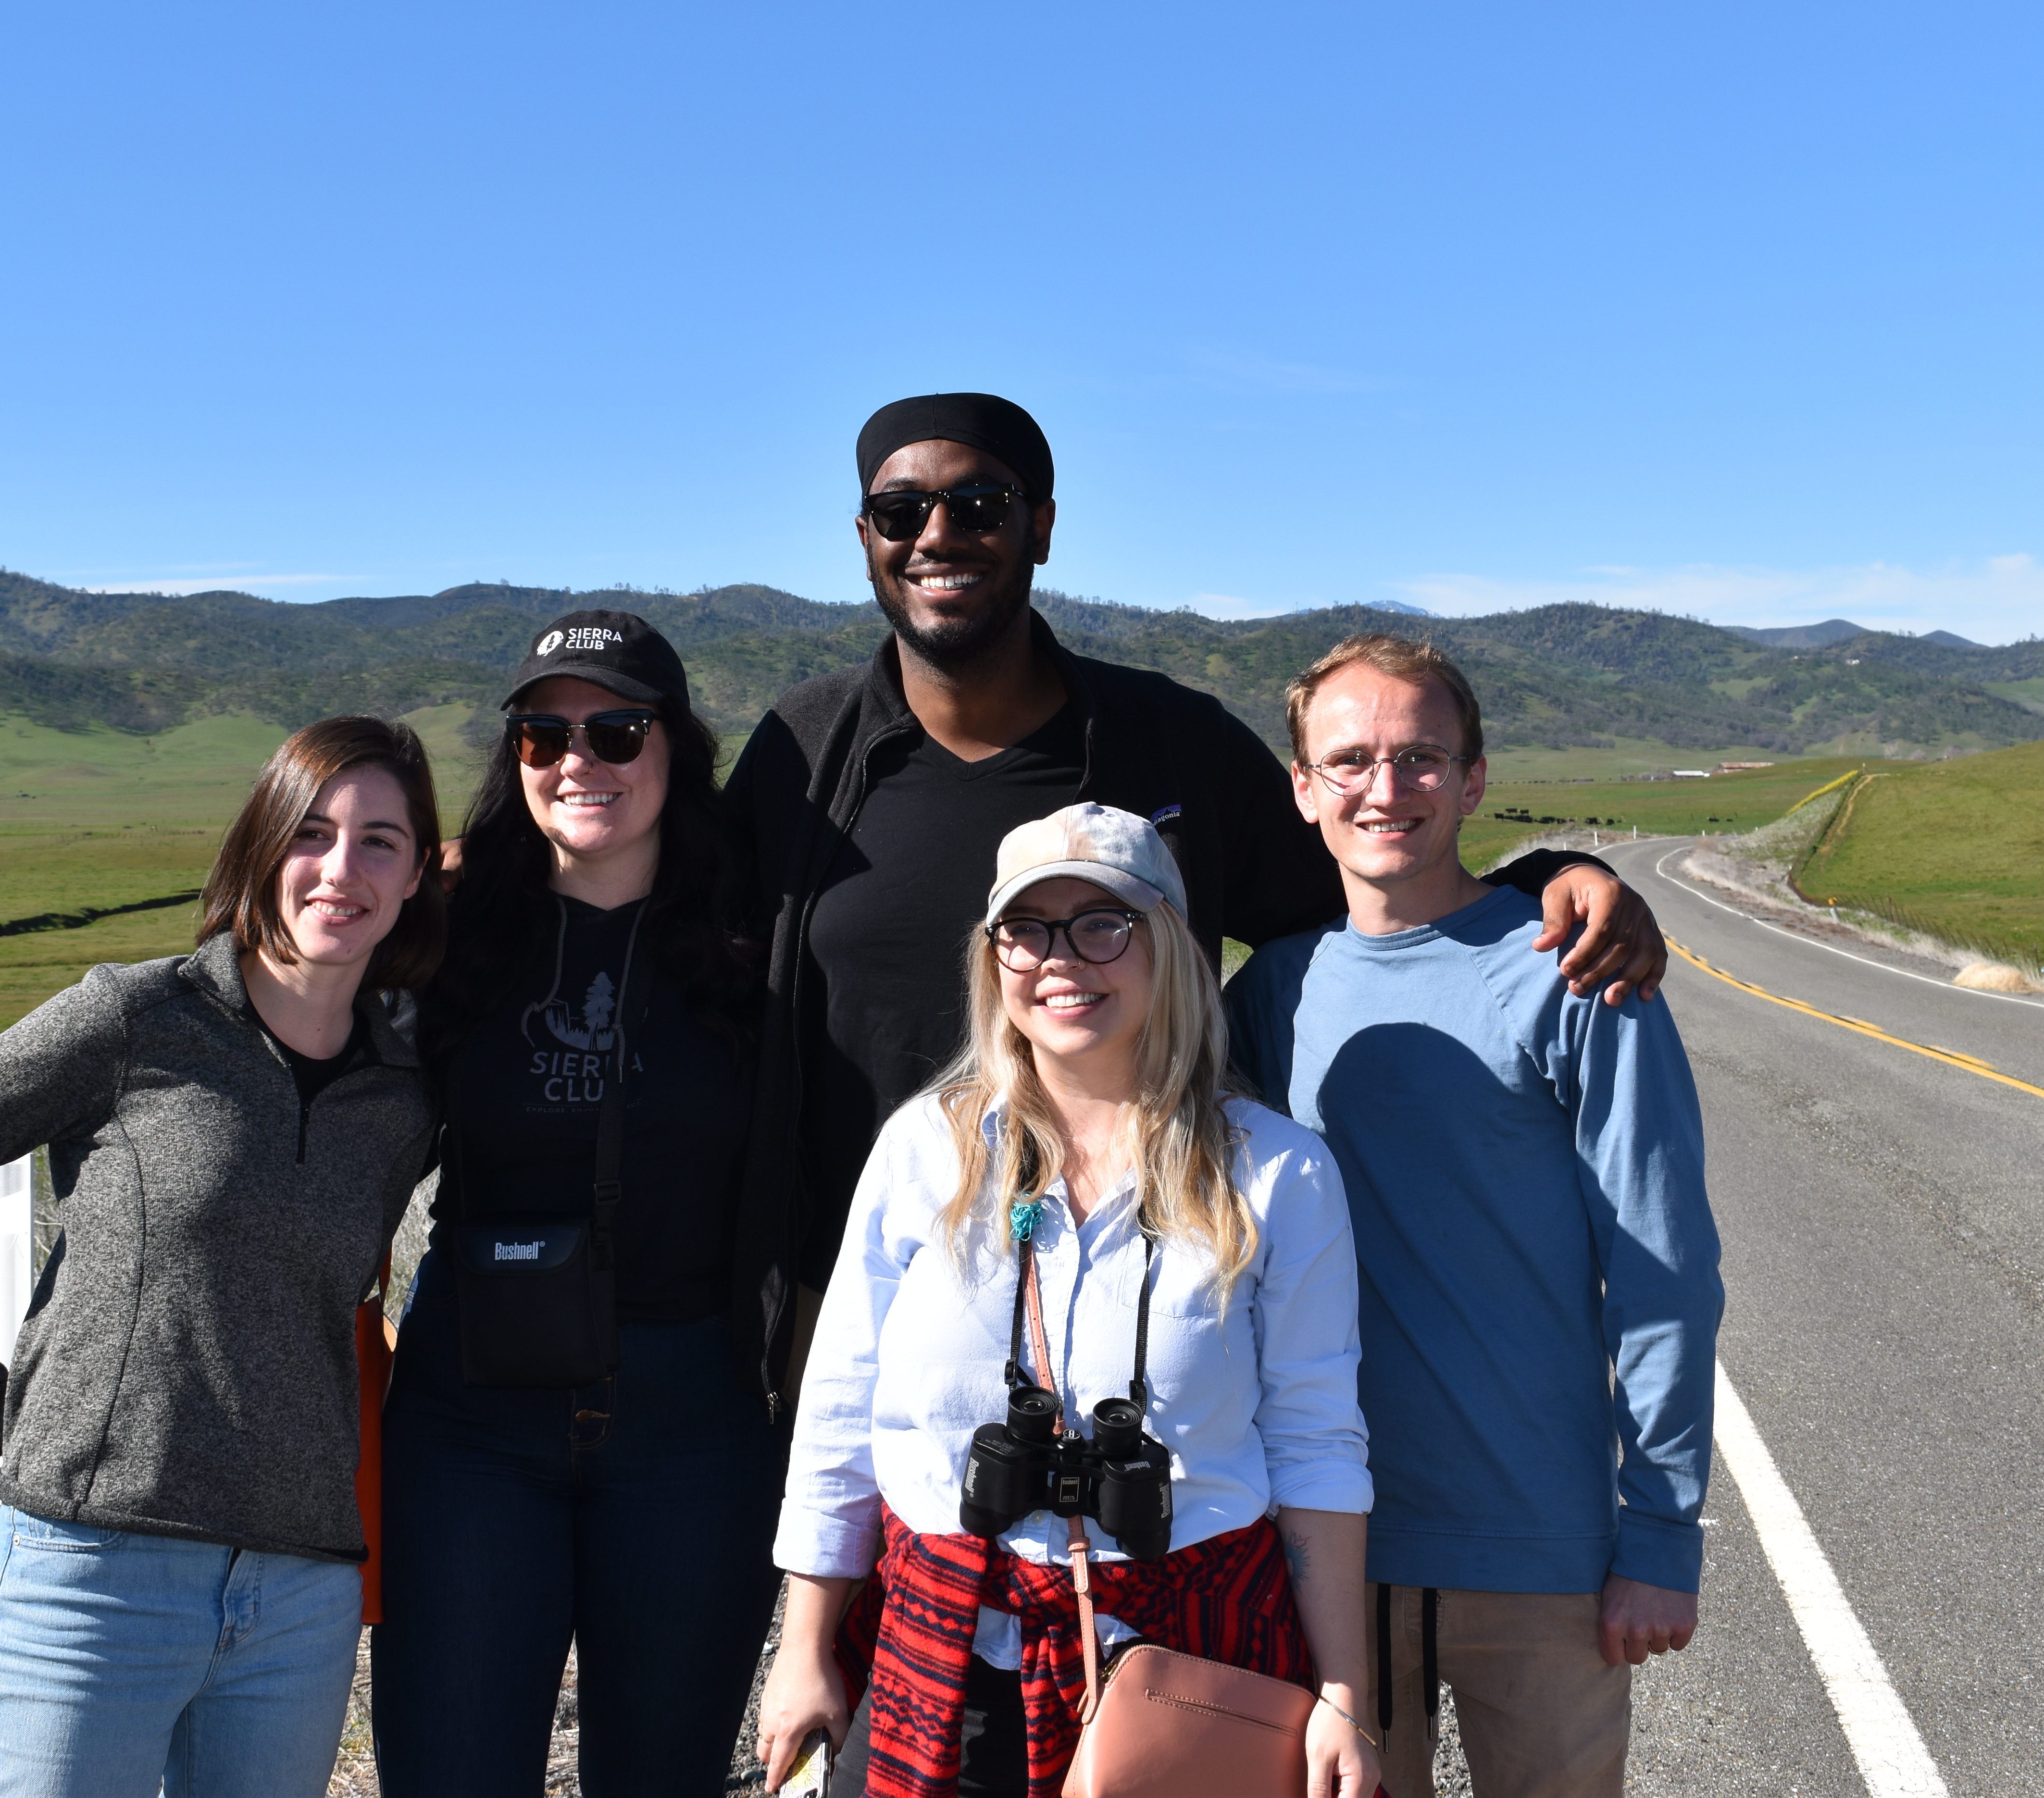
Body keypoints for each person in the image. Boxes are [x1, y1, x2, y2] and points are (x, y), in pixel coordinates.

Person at [722, 389, 1671, 1408]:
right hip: (868, 1302)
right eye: (903, 512)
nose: (940, 534)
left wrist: (1548, 881)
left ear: (1041, 524)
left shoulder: (1172, 742)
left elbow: (1366, 898)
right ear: (866, 537)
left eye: (981, 503)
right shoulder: (803, 754)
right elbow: (696, 961)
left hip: (1145, 1307)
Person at [0, 716, 447, 1798]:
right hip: (91, 1571)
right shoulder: (137, 1019)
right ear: (260, 846)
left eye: (381, 841)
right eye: (311, 832)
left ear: (415, 878)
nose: (340, 868)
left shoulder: (406, 1093)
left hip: (298, 1596)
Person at [761, 803, 1383, 1798]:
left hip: (1188, 1655)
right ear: (993, 956)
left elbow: (1317, 1438)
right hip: (946, 1650)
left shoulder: (1278, 1172)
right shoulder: (926, 1149)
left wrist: (1344, 1691)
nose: (1064, 958)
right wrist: (802, 1646)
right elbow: (843, 1404)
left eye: (1104, 923)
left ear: (1171, 947)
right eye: (1028, 928)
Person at [1223, 635, 1722, 1798]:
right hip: (1323, 1549)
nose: (1385, 790)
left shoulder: (1576, 971)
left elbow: (1666, 1270)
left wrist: (1660, 1533)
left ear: (1476, 775)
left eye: (1422, 758)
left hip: (1536, 1549)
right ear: (1302, 787)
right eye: (1348, 761)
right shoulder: (1270, 994)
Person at [371, 612, 784, 1796]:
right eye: (544, 735)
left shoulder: (759, 935)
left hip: (694, 1416)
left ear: (678, 748)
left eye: (616, 730)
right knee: (449, 1769)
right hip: (471, 1413)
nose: (577, 762)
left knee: (664, 1773)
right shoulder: (444, 923)